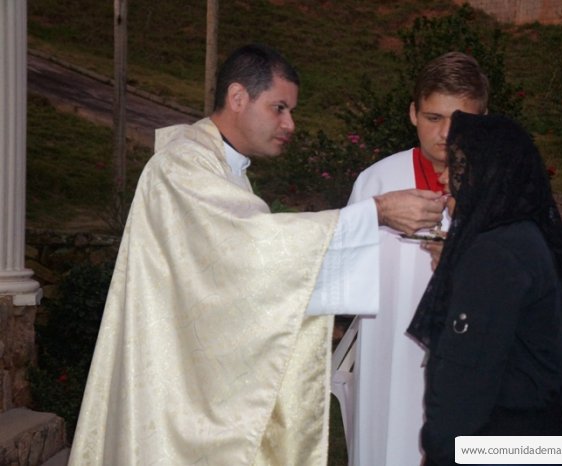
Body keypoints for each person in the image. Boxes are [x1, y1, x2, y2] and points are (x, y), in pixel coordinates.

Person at [67, 44, 445, 466]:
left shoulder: (217, 165)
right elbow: (253, 248)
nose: (290, 124)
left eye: (291, 111)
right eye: (279, 108)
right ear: (237, 97)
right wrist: (376, 211)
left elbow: (234, 270)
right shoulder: (183, 167)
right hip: (175, 390)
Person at [408, 111, 562, 465]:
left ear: (489, 171)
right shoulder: (524, 236)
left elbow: (466, 374)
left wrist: (441, 449)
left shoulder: (495, 253)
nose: (443, 178)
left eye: (456, 166)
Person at [345, 52, 489, 466]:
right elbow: (344, 278)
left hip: (472, 362)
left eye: (460, 120)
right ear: (412, 113)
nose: (445, 133)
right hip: (389, 349)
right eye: (433, 117)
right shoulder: (377, 182)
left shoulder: (500, 187)